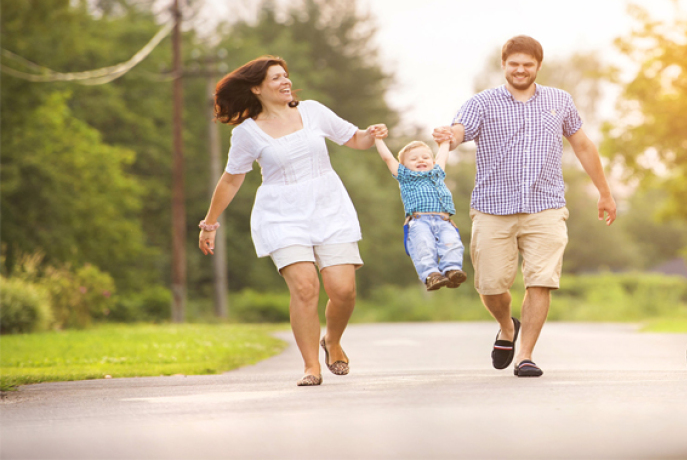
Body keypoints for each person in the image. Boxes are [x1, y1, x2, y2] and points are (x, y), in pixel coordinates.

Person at [433, 35, 617, 378]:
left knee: (541, 280)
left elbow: (582, 145)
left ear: (538, 66)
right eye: (514, 64)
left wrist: (604, 192)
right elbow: (459, 132)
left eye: (527, 64)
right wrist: (449, 136)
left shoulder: (559, 100)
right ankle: (507, 326)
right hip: (492, 208)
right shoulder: (482, 103)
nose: (520, 70)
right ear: (504, 65)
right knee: (490, 286)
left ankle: (526, 356)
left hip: (545, 206)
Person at [197, 56, 386, 387]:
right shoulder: (246, 133)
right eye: (276, 78)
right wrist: (209, 224)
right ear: (256, 88)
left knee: (343, 290)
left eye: (286, 76)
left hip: (329, 207)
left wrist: (371, 134)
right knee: (304, 287)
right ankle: (311, 367)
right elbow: (231, 179)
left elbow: (355, 139)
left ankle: (333, 340)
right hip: (281, 214)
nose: (286, 81)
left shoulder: (313, 111)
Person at [372, 136, 466, 291]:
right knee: (423, 247)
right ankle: (431, 275)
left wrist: (444, 141)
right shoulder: (406, 176)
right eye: (413, 159)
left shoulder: (436, 173)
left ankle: (452, 271)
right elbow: (388, 158)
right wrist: (378, 139)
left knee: (452, 244)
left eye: (425, 157)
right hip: (420, 221)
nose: (420, 160)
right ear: (404, 166)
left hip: (444, 221)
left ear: (432, 161)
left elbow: (442, 156)